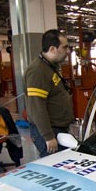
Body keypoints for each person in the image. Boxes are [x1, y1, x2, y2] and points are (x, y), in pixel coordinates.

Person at [25, 29, 74, 157]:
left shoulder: (51, 66)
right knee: (55, 165)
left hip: (58, 129)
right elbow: (37, 107)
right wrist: (48, 136)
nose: (68, 51)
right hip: (49, 132)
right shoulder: (38, 71)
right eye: (65, 47)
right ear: (52, 49)